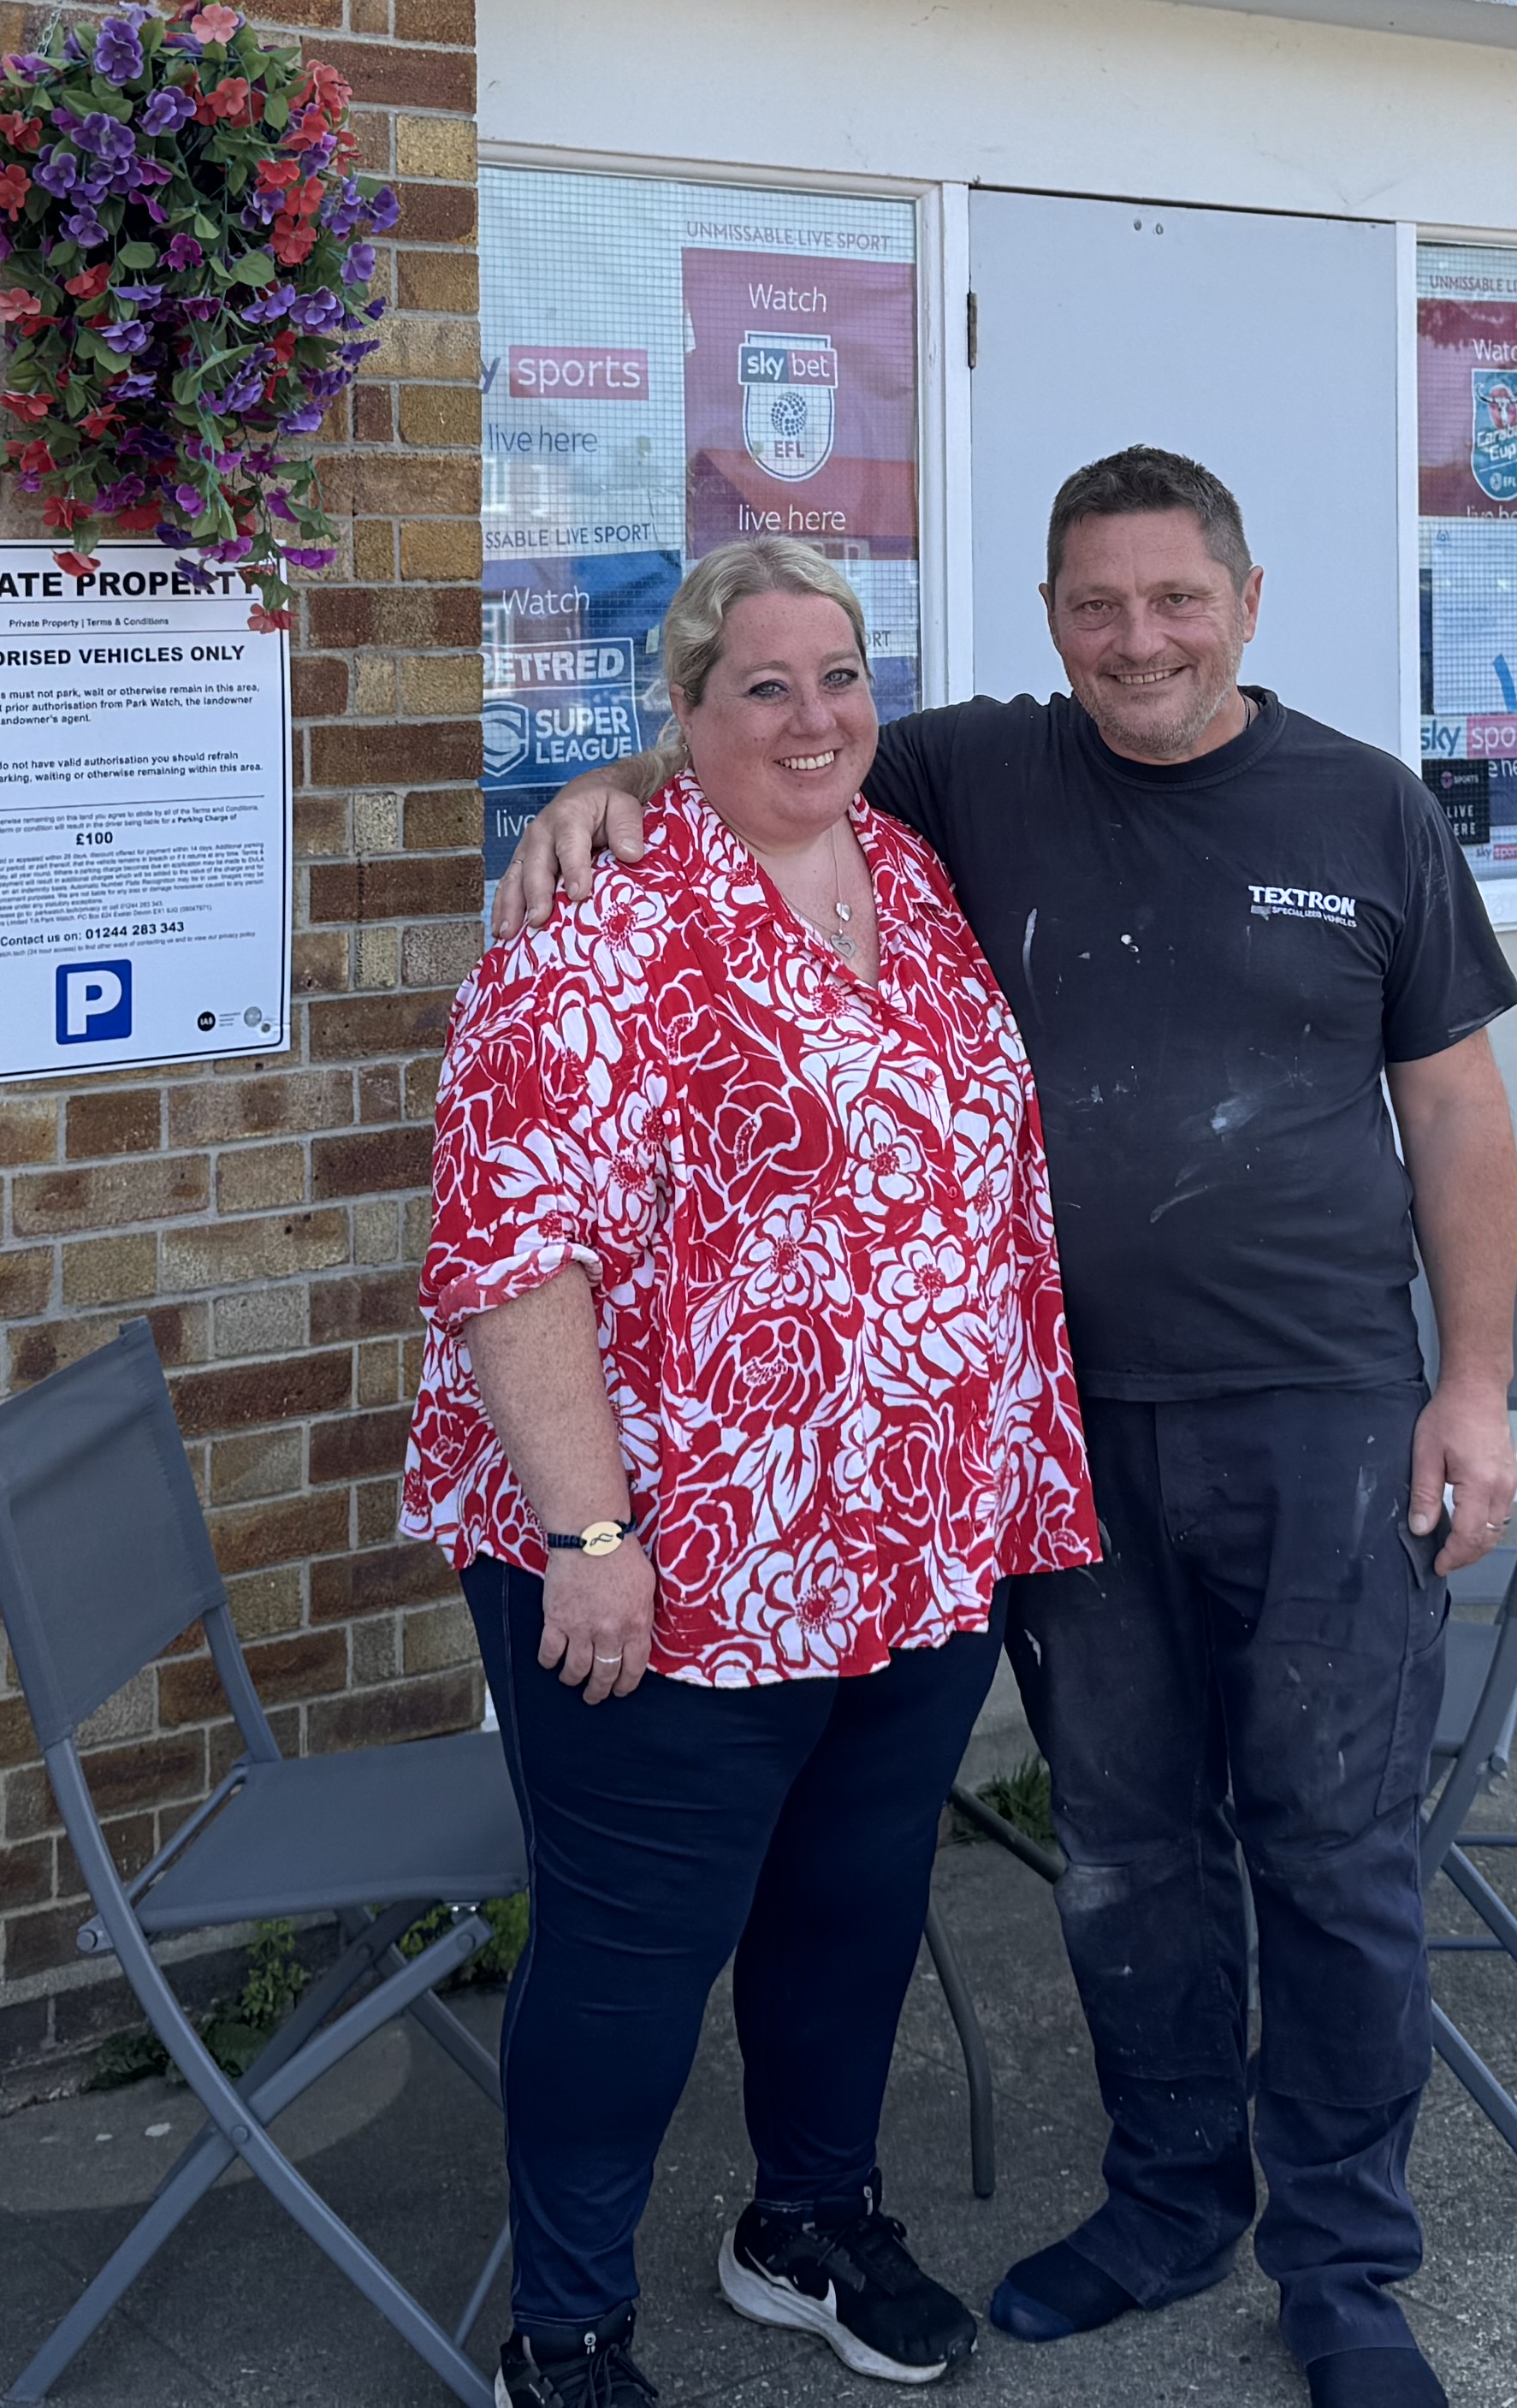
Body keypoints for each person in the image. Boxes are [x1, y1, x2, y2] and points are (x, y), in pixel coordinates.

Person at [496, 448, 1517, 2408]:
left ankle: (1345, 2266)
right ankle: (1166, 2198)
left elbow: (1458, 1112)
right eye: (1097, 604)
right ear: (1051, 621)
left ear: (1242, 595)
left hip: (1318, 1413)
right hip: (1056, 1449)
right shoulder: (971, 777)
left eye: (1175, 599)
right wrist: (609, 789)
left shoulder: (1365, 808)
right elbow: (751, 753)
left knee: (1329, 1851)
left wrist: (1471, 1384)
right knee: (1126, 1848)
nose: (1140, 638)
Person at [411, 532, 1102, 2408]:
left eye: (840, 675)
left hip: (913, 1547)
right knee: (634, 1966)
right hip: (670, 1565)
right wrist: (587, 1532)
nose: (816, 716)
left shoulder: (911, 871)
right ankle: (564, 2326)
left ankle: (807, 2220)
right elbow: (509, 1251)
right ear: (687, 715)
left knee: (853, 1911)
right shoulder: (599, 934)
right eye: (764, 685)